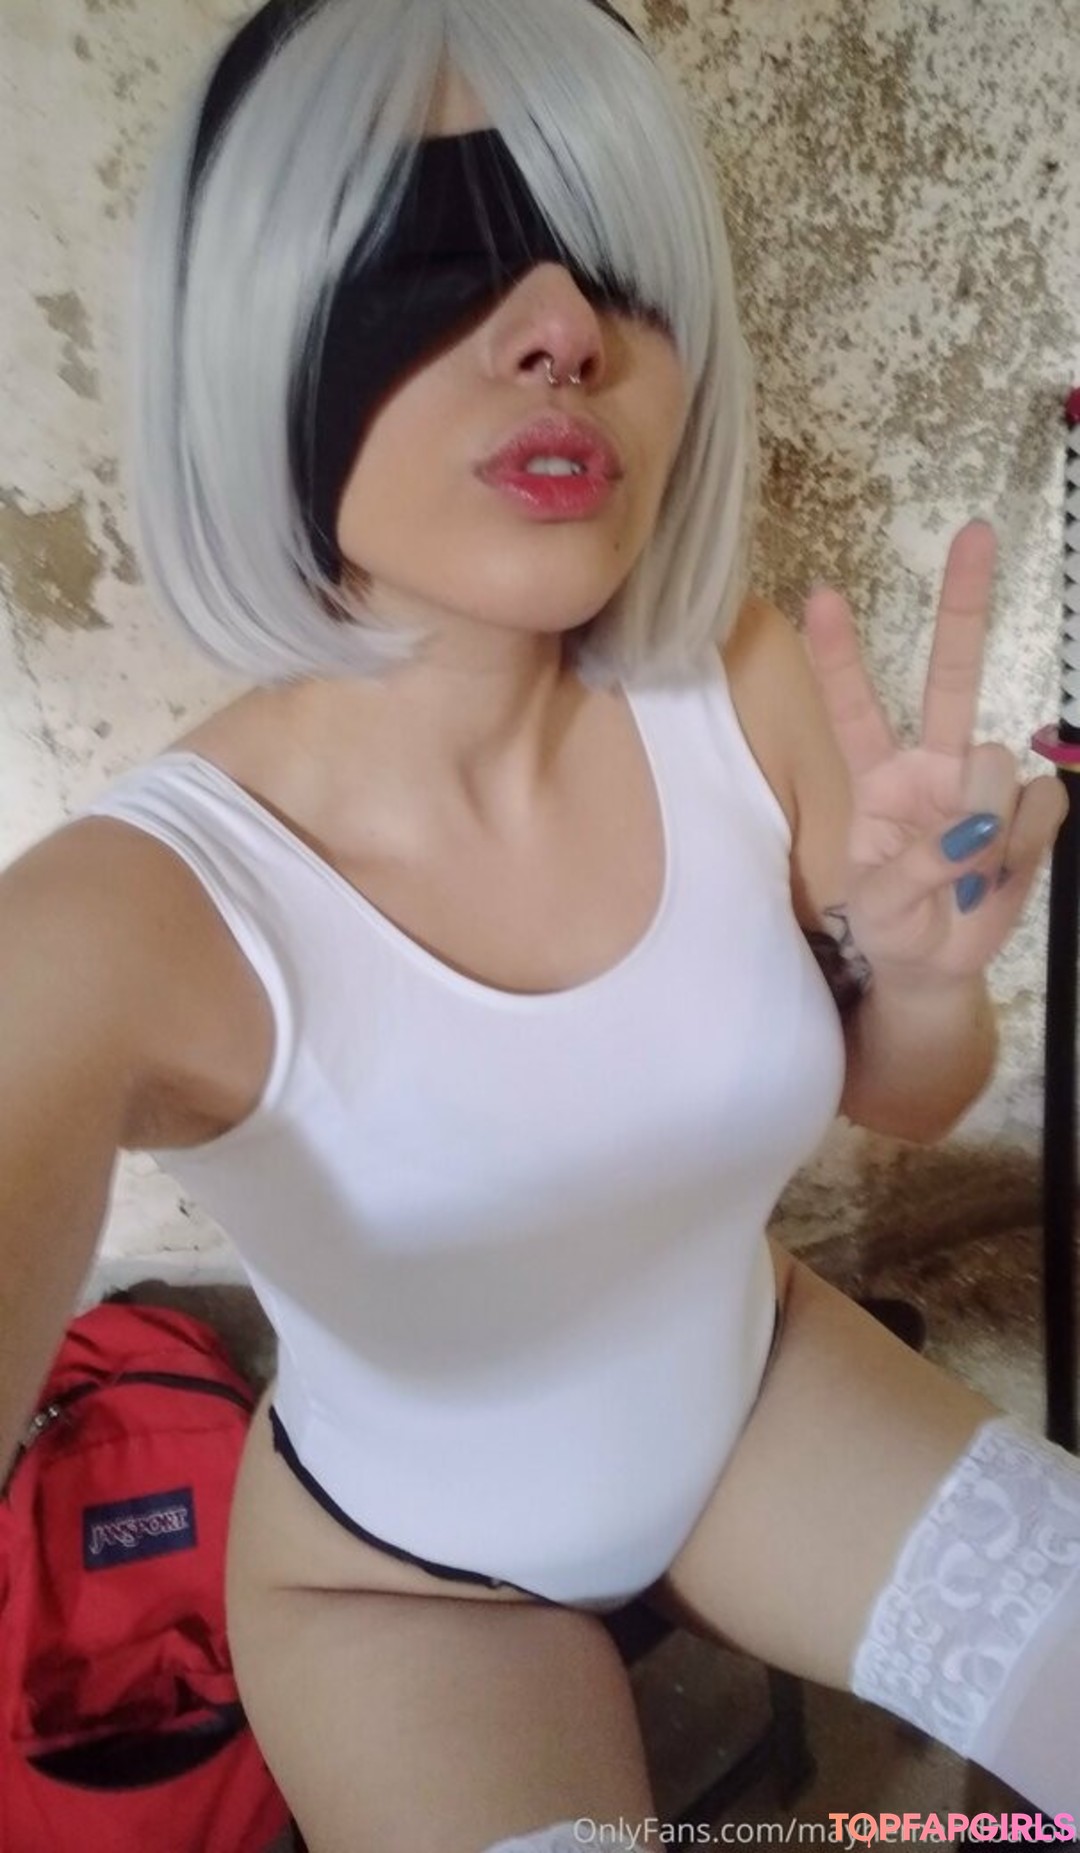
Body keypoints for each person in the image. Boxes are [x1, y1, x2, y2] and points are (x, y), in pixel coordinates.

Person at [1, 2, 1077, 1848]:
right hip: (401, 1588)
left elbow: (911, 1092)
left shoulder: (738, 671)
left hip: (759, 1397)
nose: (566, 324)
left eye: (614, 259)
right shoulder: (131, 915)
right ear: (251, 335)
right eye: (434, 250)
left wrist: (920, 973)